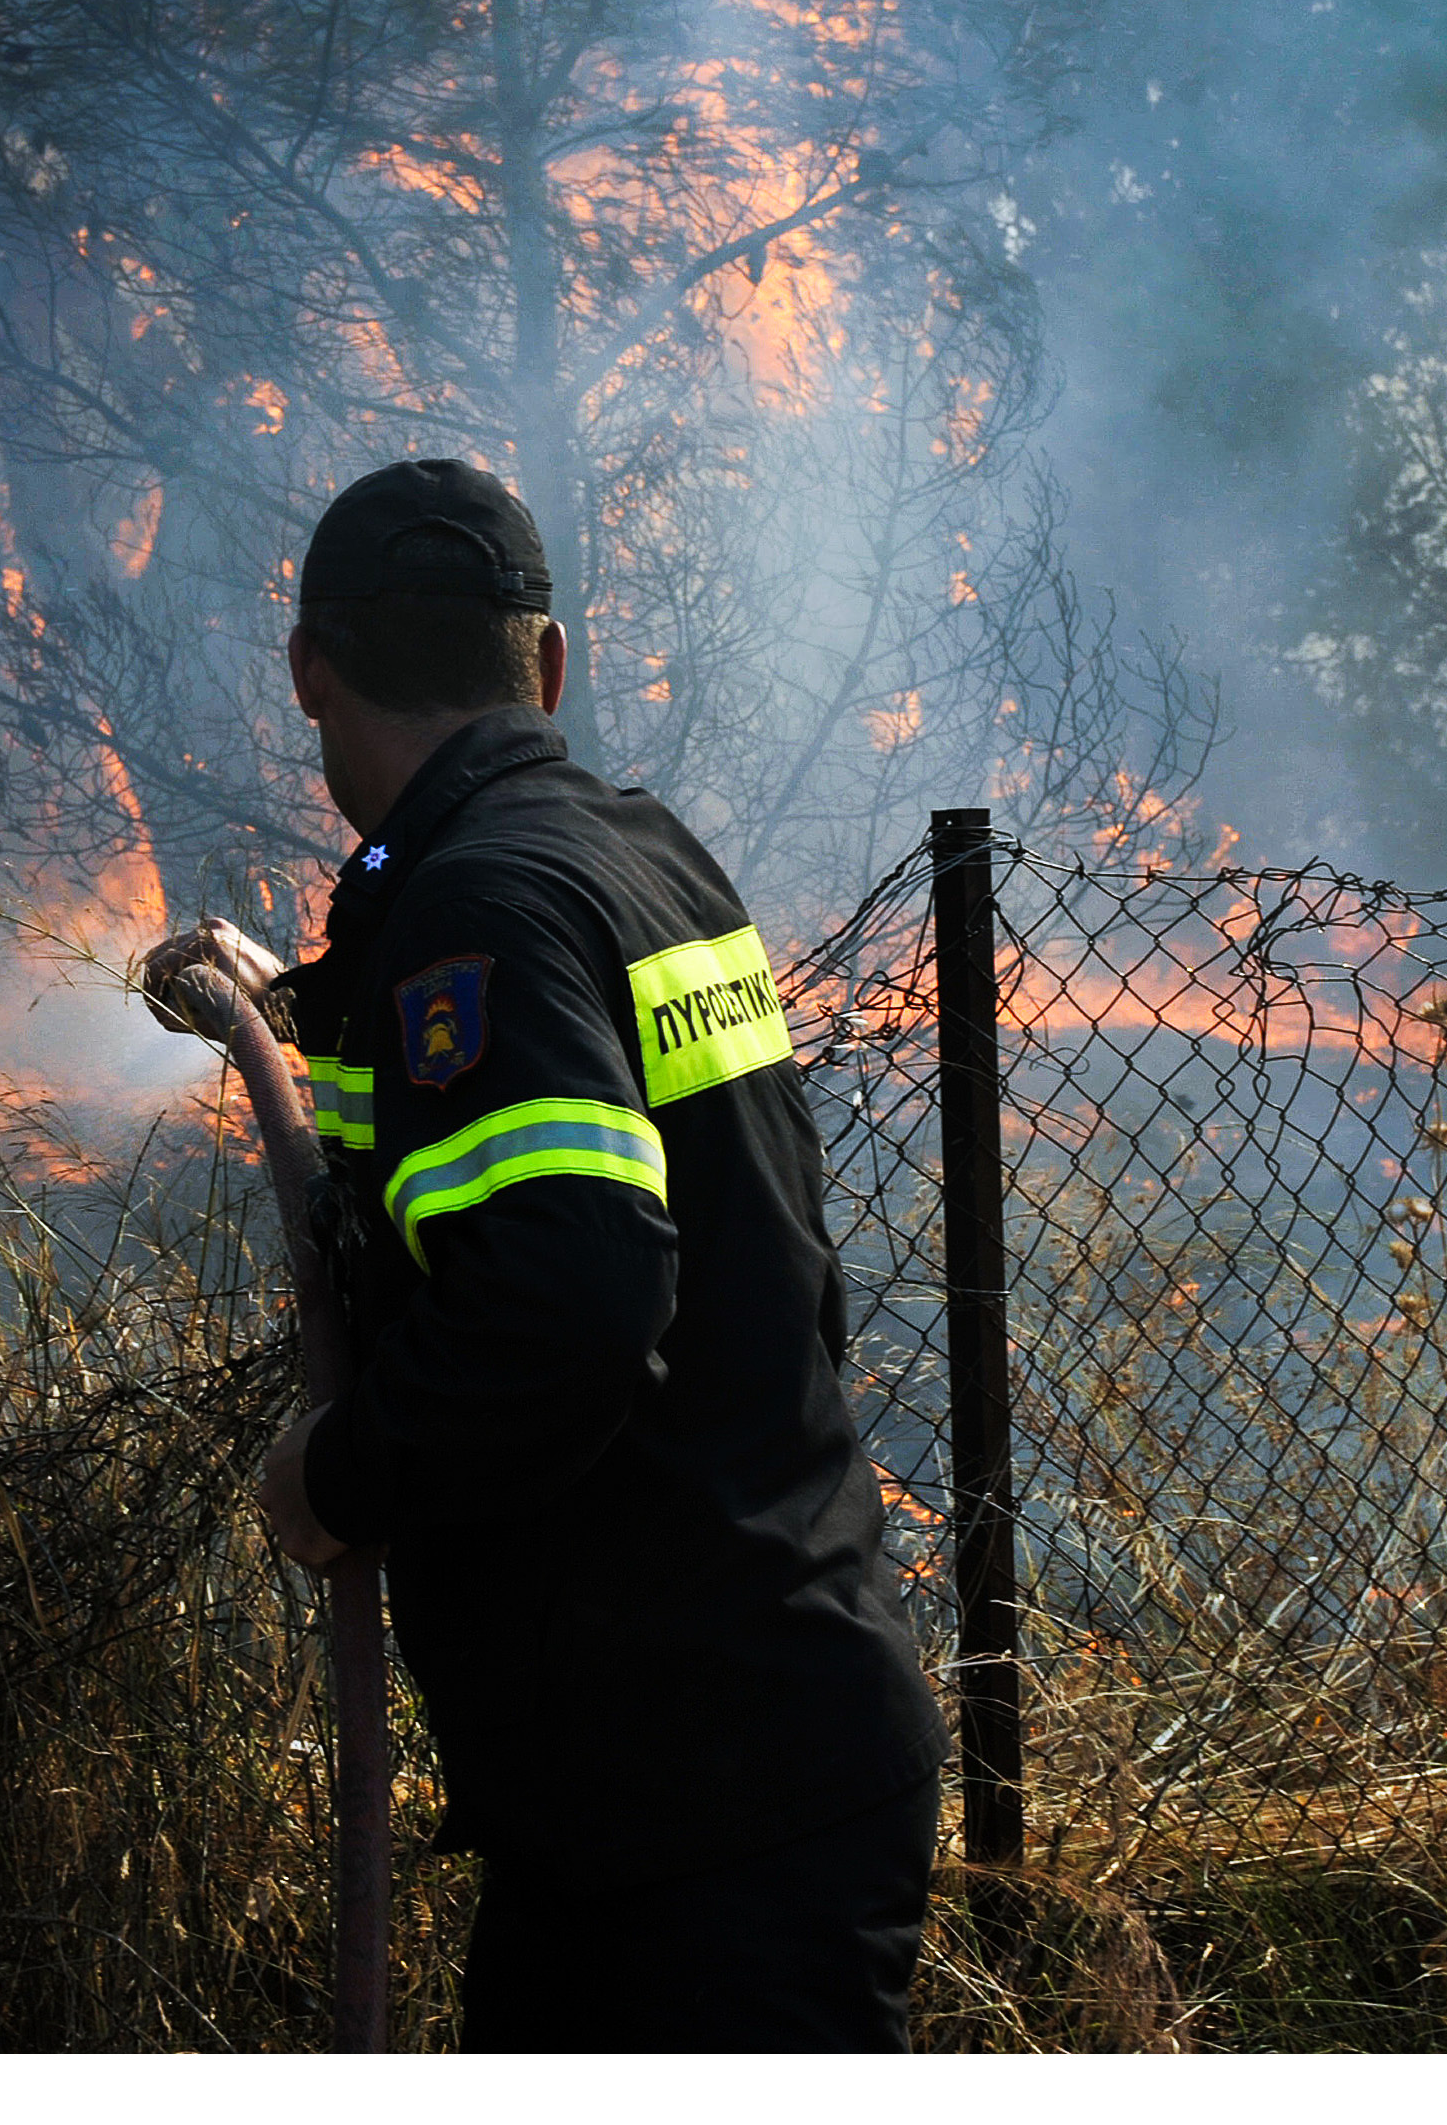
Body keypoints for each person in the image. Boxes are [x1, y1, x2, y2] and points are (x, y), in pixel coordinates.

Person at [143, 458, 950, 2053]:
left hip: (695, 1814)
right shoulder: (633, 852)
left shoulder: (478, 912)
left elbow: (570, 1289)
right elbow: (535, 1083)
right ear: (553, 662)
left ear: (311, 671)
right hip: (751, 1739)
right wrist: (300, 998)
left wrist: (340, 1474)